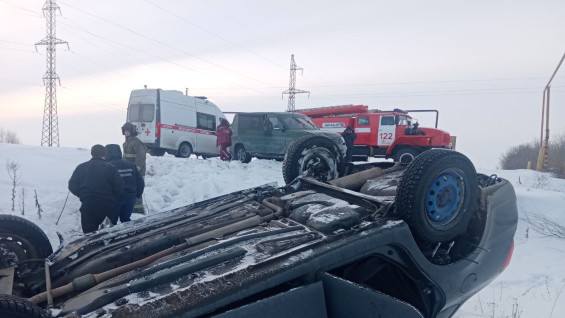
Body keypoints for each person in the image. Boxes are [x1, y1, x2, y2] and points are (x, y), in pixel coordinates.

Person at [68, 144, 124, 234]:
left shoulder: (81, 167)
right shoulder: (111, 168)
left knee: (89, 235)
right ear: (105, 154)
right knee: (107, 235)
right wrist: (111, 197)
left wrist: (83, 195)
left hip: (88, 205)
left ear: (92, 153)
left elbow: (72, 185)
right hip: (107, 206)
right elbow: (119, 188)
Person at [105, 144, 145, 225]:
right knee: (126, 220)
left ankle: (113, 236)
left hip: (114, 200)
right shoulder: (131, 165)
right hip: (130, 198)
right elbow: (140, 182)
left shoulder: (106, 167)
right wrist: (136, 195)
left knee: (112, 222)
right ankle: (130, 235)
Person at [122, 122, 147, 214]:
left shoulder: (137, 142)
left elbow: (141, 157)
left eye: (128, 131)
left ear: (132, 131)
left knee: (137, 190)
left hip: (137, 172)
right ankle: (131, 208)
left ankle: (139, 210)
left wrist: (135, 171)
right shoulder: (127, 143)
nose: (126, 133)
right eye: (125, 131)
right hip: (129, 172)